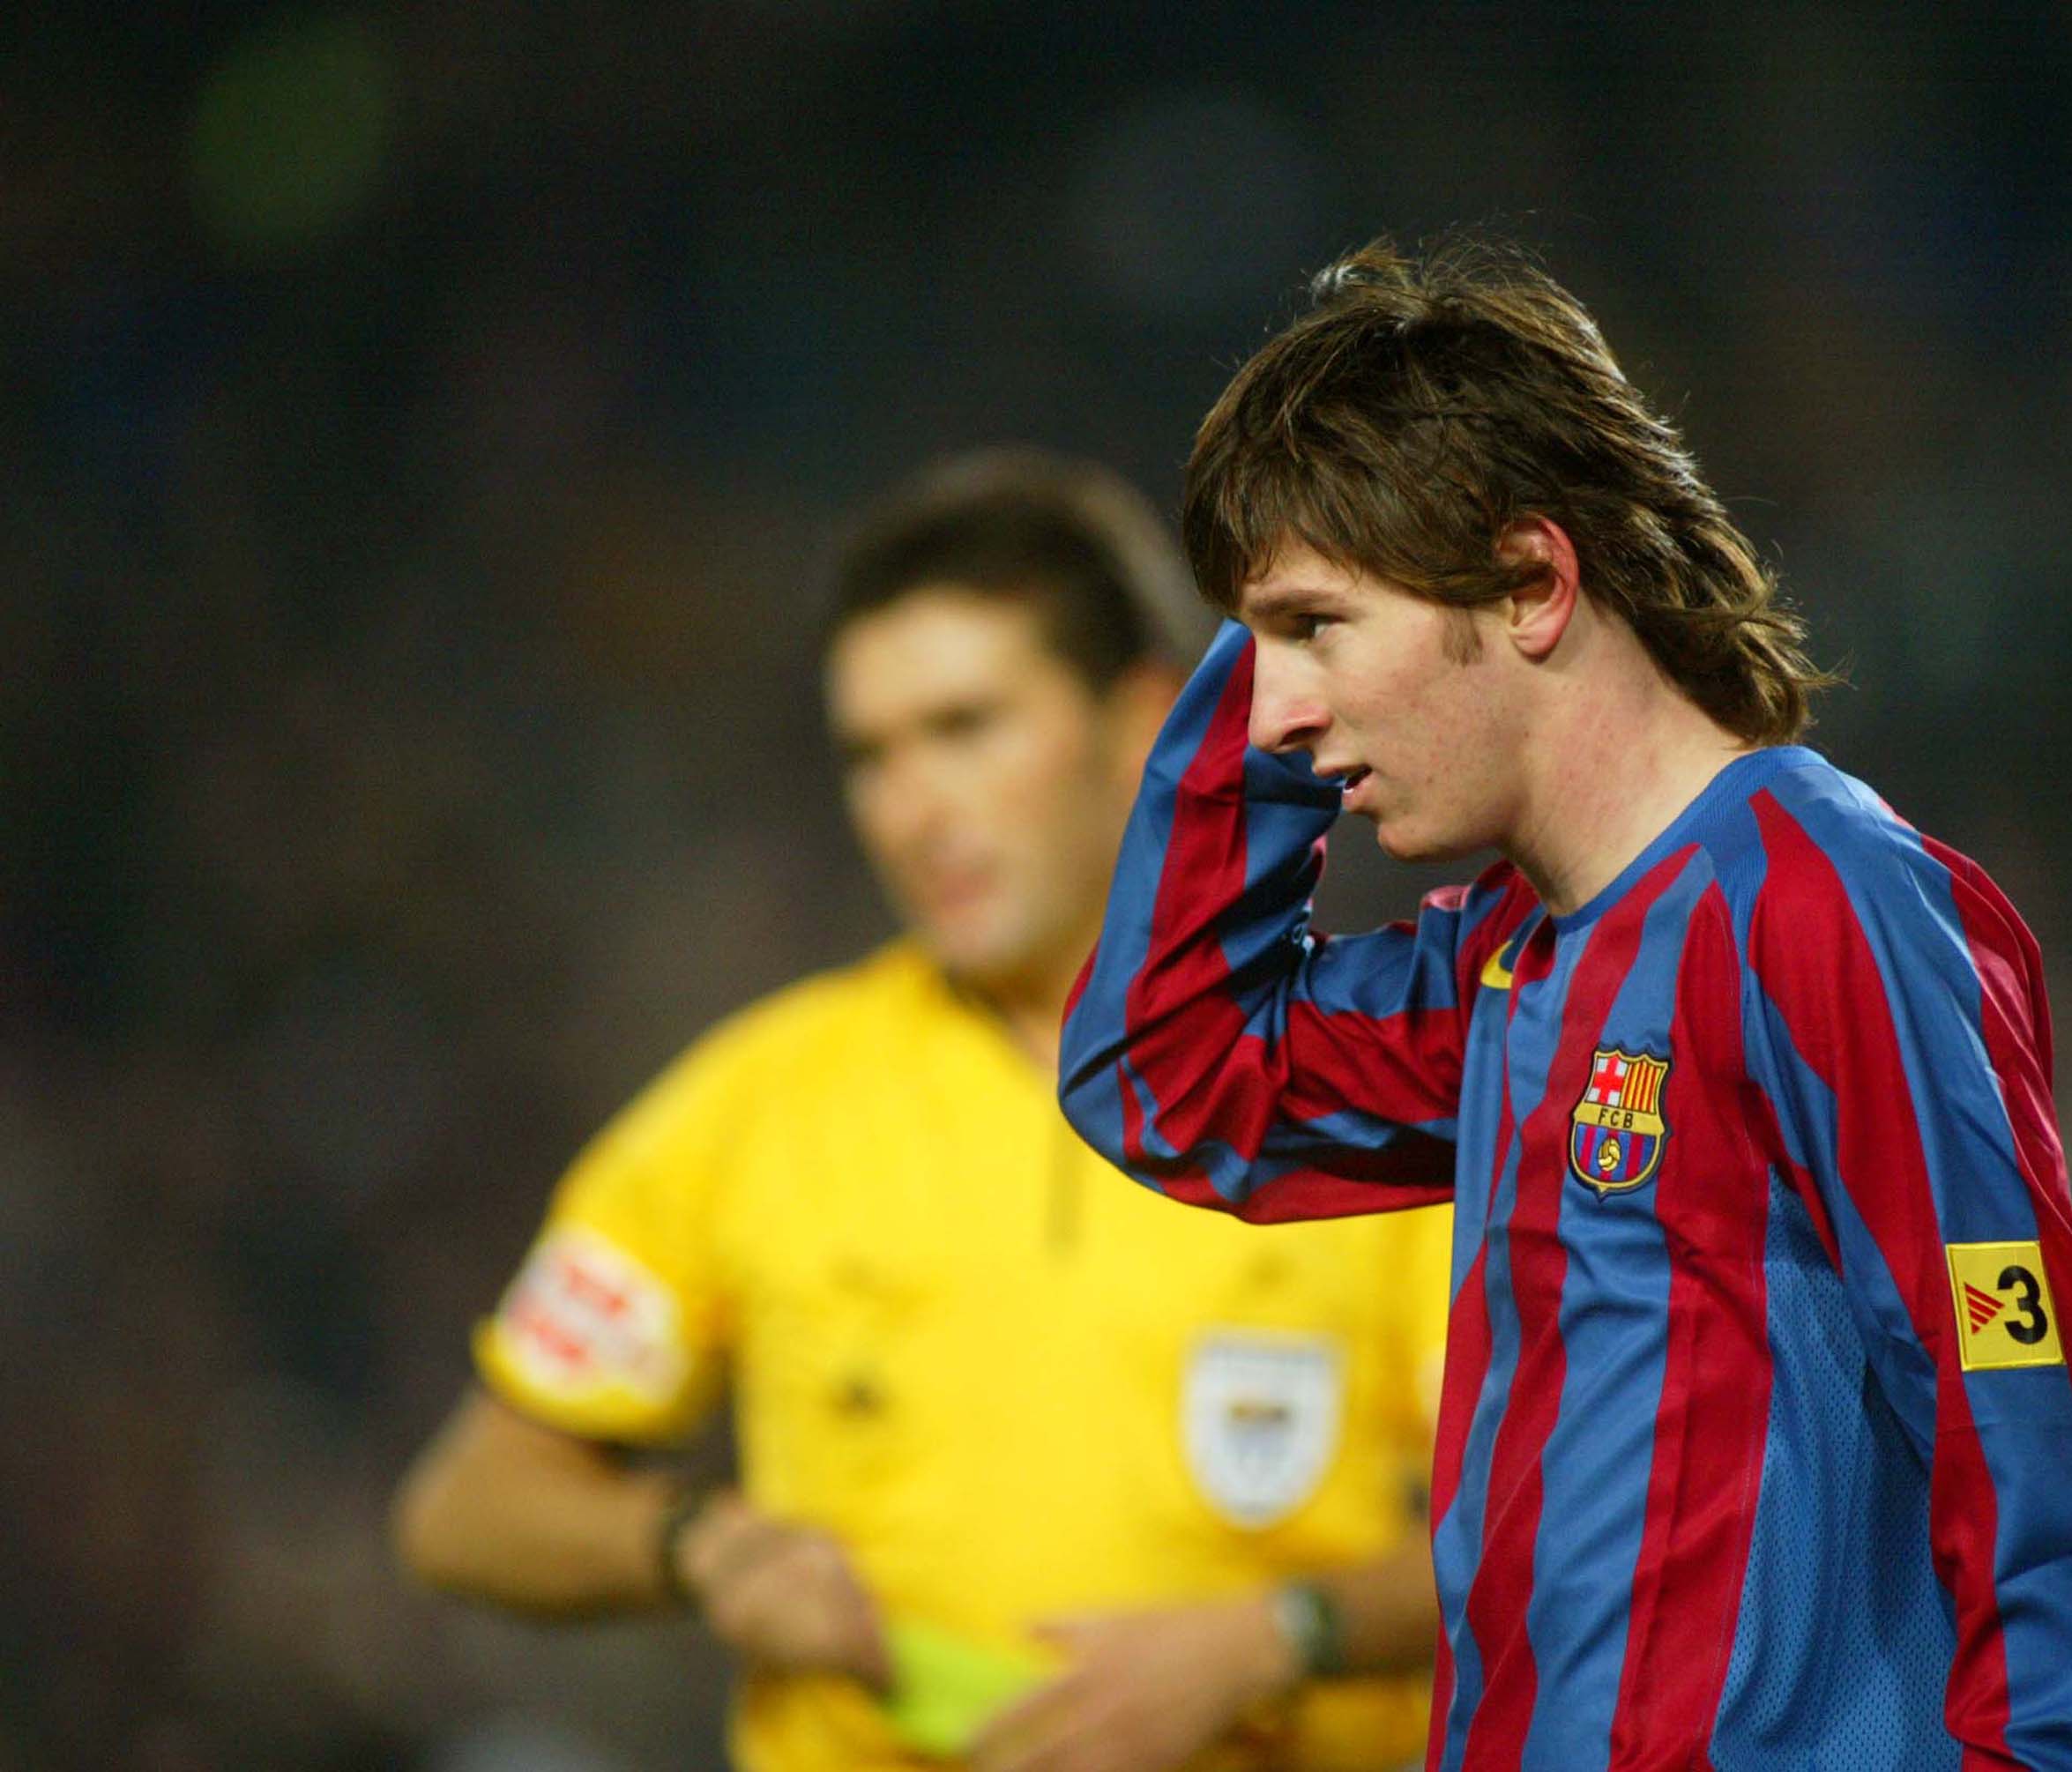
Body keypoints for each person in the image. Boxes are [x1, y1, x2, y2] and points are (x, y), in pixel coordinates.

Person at [1058, 241, 2072, 1770]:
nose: (1272, 715)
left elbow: (2027, 1388)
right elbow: (1168, 1076)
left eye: (1314, 627)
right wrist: (1281, 572)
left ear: (1534, 582)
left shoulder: (1819, 903)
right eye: (1260, 643)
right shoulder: (1508, 963)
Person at [393, 450, 1449, 1772]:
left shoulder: (1375, 1082)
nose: (910, 808)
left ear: (1139, 726)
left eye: (965, 728)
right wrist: (697, 1546)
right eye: (869, 755)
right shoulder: (763, 1105)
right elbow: (466, 1507)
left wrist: (1277, 1636)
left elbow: (1569, 1521)